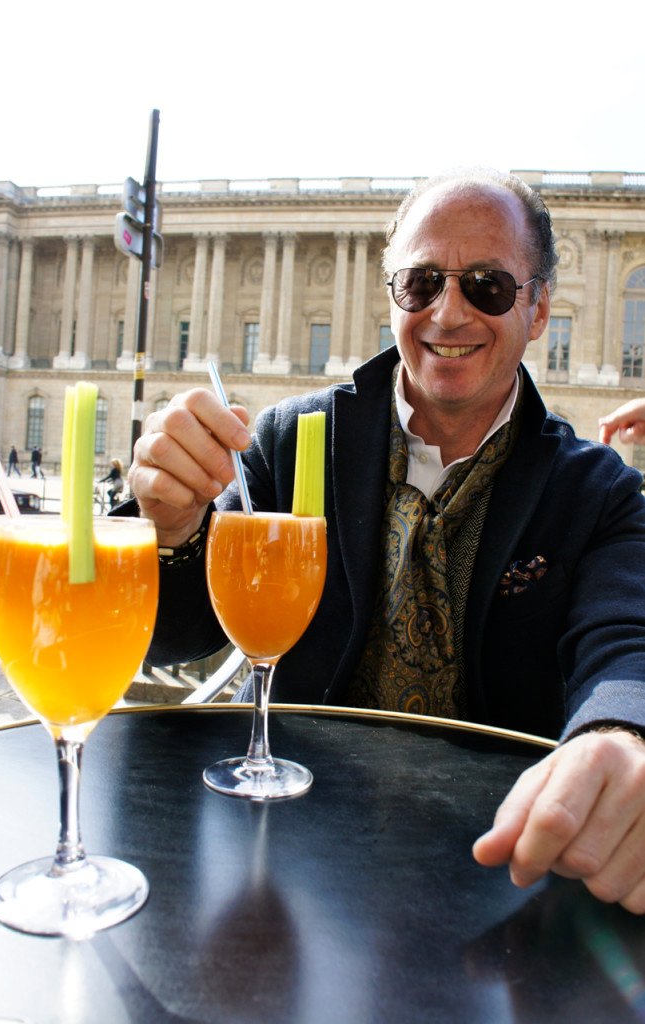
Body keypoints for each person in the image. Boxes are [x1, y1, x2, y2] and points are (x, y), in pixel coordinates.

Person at [128, 167, 645, 914]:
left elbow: (626, 637)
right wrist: (168, 530)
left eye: (488, 287)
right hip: (280, 858)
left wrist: (620, 735)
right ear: (392, 297)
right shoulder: (289, 441)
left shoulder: (593, 490)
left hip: (493, 866)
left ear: (537, 311)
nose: (448, 312)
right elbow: (173, 632)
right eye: (421, 282)